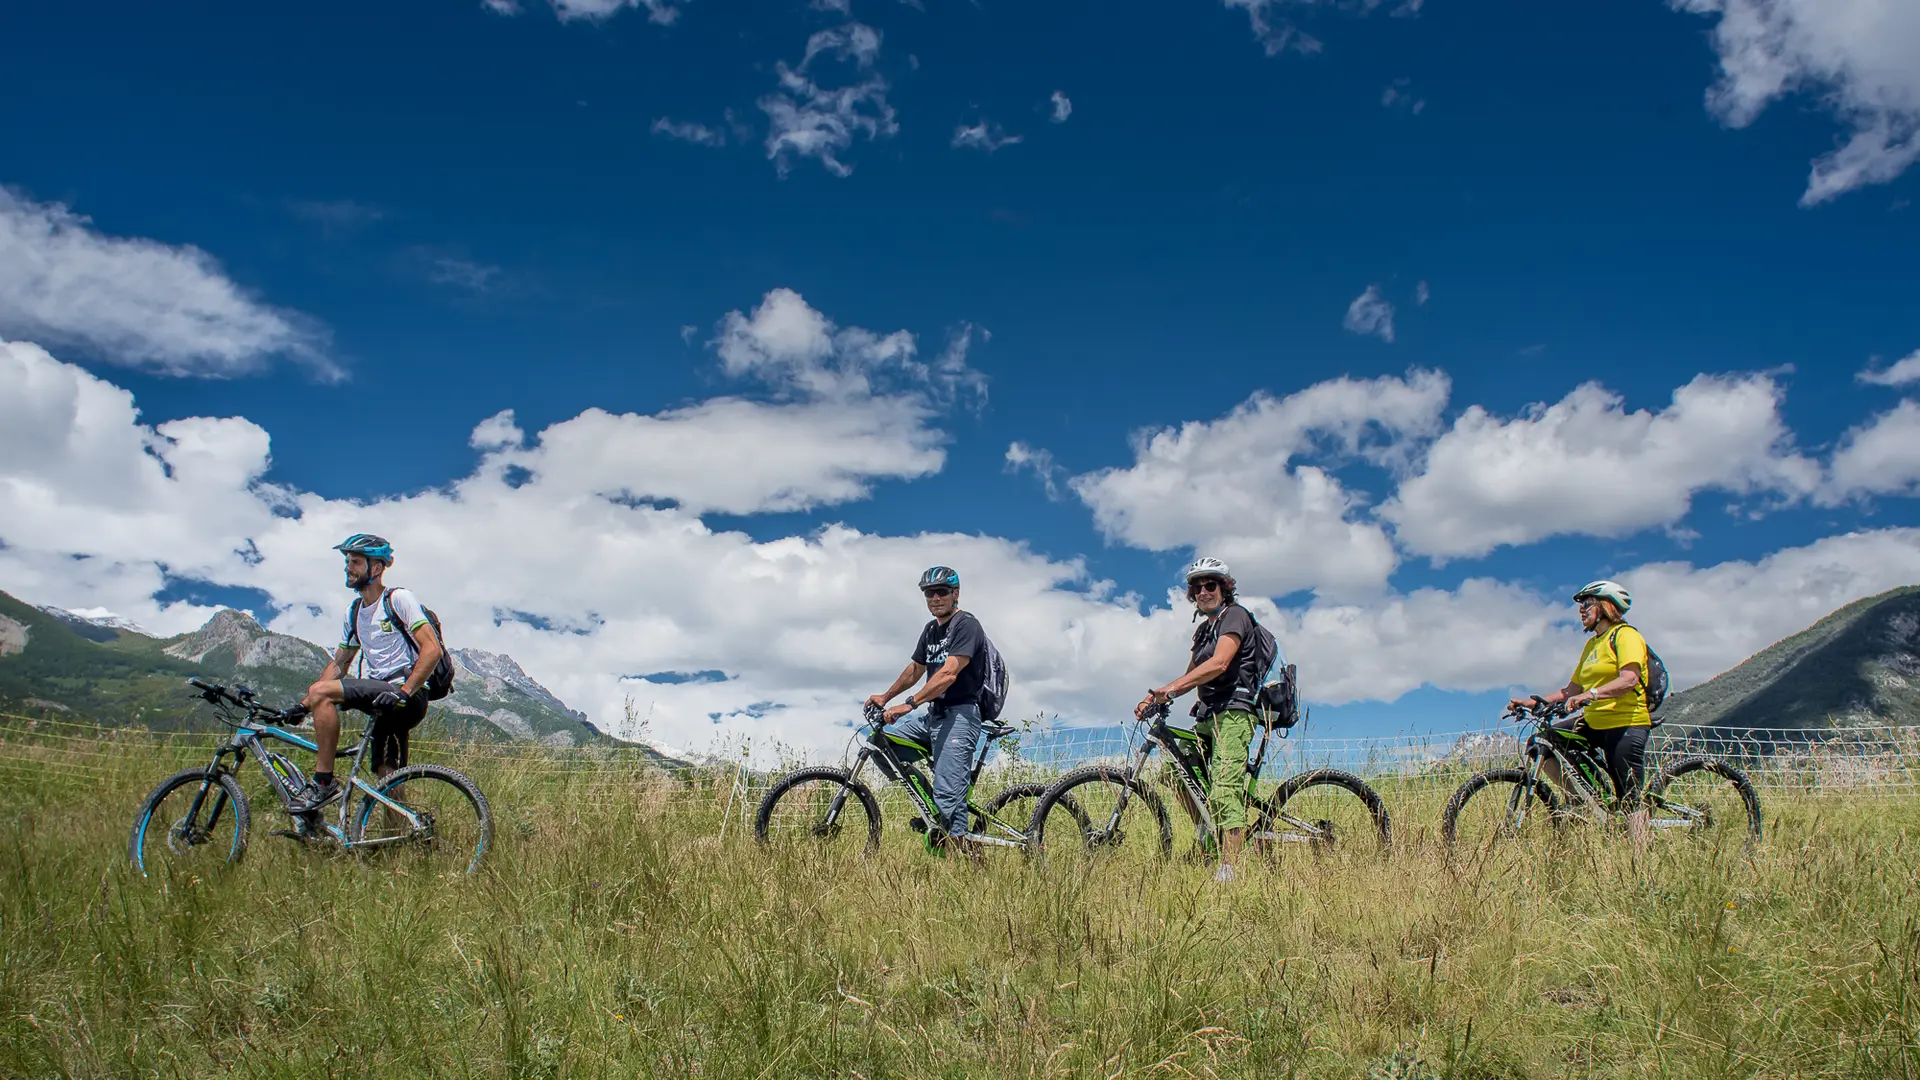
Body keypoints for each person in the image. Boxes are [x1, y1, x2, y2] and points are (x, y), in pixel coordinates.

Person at [287, 535, 442, 813]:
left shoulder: (398, 599)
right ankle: (400, 833)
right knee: (387, 773)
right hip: (381, 696)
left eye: (356, 562)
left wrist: (404, 692)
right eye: (348, 561)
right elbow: (340, 664)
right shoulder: (355, 611)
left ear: (377, 568)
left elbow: (432, 650)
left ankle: (323, 782)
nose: (348, 567)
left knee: (322, 692)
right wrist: (303, 705)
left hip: (407, 692)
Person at [1136, 556, 1267, 882]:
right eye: (1197, 587)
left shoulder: (1234, 616)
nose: (1204, 592)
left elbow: (1220, 663)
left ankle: (1229, 870)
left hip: (1234, 713)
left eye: (1211, 585)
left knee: (1224, 789)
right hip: (1208, 715)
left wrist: (1170, 689)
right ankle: (1208, 837)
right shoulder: (1204, 630)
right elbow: (1191, 674)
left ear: (1224, 588)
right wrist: (1157, 697)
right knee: (1176, 774)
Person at [1508, 579, 1652, 845]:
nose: (1581, 609)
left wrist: (1591, 694)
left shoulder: (1626, 636)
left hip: (1626, 723)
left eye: (1587, 603)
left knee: (1629, 798)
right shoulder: (1592, 646)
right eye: (1580, 605)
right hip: (1594, 722)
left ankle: (1640, 859)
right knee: (1542, 742)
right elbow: (1570, 690)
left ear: (1607, 606)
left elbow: (1629, 679)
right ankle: (1582, 802)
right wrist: (1535, 702)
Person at [866, 566, 990, 852]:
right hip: (933, 716)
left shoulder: (967, 625)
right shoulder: (931, 630)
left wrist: (909, 704)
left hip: (960, 715)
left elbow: (948, 674)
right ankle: (934, 807)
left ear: (955, 594)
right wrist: (886, 697)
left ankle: (961, 860)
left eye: (941, 592)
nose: (935, 598)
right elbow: (916, 669)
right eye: (929, 593)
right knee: (880, 746)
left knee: (949, 795)